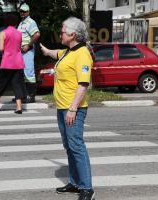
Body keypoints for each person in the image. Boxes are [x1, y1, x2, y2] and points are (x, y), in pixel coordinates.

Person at [40, 17, 95, 200]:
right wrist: (46, 51)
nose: (60, 33)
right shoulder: (68, 52)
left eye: (63, 31)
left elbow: (83, 84)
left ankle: (87, 188)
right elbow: (57, 54)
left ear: (72, 34)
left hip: (73, 109)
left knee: (77, 146)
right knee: (69, 147)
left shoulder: (82, 54)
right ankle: (75, 183)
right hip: (62, 107)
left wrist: (73, 109)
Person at [0, 14, 25, 114]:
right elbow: (18, 47)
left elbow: (1, 48)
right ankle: (19, 107)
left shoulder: (3, 33)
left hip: (7, 62)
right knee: (17, 85)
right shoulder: (19, 33)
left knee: (1, 84)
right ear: (16, 23)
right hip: (18, 62)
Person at [17, 3, 40, 103]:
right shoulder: (21, 23)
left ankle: (31, 96)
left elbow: (37, 34)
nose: (22, 13)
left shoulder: (31, 22)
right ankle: (22, 96)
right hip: (20, 51)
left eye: (24, 11)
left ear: (28, 12)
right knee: (21, 73)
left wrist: (28, 45)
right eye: (21, 11)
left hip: (27, 51)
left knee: (29, 73)